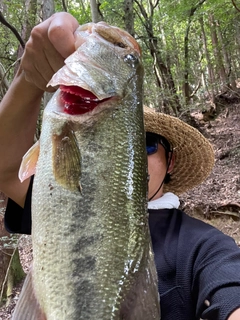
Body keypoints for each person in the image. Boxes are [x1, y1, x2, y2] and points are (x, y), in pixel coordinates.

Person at [0, 12, 240, 320]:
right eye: (128, 138)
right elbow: (6, 169)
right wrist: (26, 79)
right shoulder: (66, 196)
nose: (134, 153)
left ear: (171, 162)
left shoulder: (205, 246)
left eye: (148, 144)